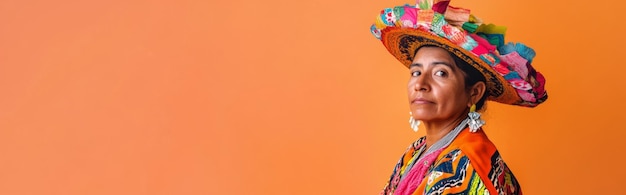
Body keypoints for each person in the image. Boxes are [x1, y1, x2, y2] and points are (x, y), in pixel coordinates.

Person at [370, 0, 548, 194]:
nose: (420, 85)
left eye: (440, 73)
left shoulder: (465, 165)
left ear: (474, 92)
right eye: (415, 72)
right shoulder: (416, 151)